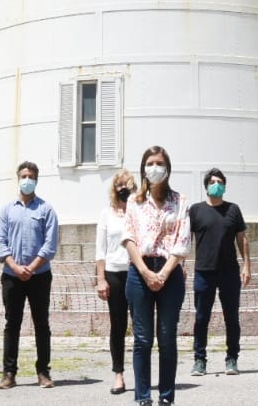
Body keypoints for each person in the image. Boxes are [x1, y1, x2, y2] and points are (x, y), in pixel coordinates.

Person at [122, 145, 190, 406]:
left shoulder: (180, 201)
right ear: (143, 169)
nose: (154, 167)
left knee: (167, 337)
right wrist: (145, 272)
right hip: (140, 271)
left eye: (159, 162)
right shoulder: (134, 201)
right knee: (141, 338)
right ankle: (142, 397)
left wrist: (162, 274)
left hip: (169, 272)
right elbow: (128, 238)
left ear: (167, 167)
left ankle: (166, 397)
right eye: (150, 163)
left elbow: (182, 243)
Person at [0, 161, 59, 389]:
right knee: (12, 324)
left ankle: (43, 372)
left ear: (37, 180)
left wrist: (31, 267)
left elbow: (50, 245)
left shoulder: (46, 210)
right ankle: (9, 373)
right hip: (12, 276)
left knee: (41, 324)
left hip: (39, 275)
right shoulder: (6, 209)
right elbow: (1, 242)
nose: (27, 179)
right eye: (23, 175)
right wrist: (15, 266)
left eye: (31, 176)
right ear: (18, 178)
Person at [188, 167, 250, 376]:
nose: (216, 184)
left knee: (231, 318)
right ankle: (199, 360)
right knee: (201, 318)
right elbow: (184, 241)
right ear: (206, 186)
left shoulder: (233, 209)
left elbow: (242, 239)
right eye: (213, 181)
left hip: (230, 272)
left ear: (224, 186)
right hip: (203, 272)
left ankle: (232, 358)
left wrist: (247, 266)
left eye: (220, 181)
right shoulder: (195, 211)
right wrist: (179, 265)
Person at [96, 169, 137, 395]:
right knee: (118, 326)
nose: (123, 188)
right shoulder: (106, 214)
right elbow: (100, 250)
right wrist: (101, 279)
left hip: (136, 272)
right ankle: (118, 375)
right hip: (114, 273)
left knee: (141, 325)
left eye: (127, 185)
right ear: (114, 189)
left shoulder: (139, 211)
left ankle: (142, 374)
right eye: (119, 185)